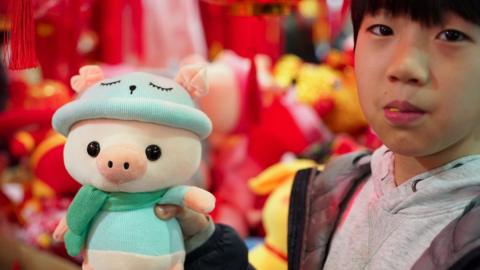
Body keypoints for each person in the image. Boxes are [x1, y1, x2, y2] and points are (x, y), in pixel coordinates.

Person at [157, 0, 480, 269]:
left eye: (451, 35)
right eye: (382, 30)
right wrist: (210, 248)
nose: (405, 67)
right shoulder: (336, 186)